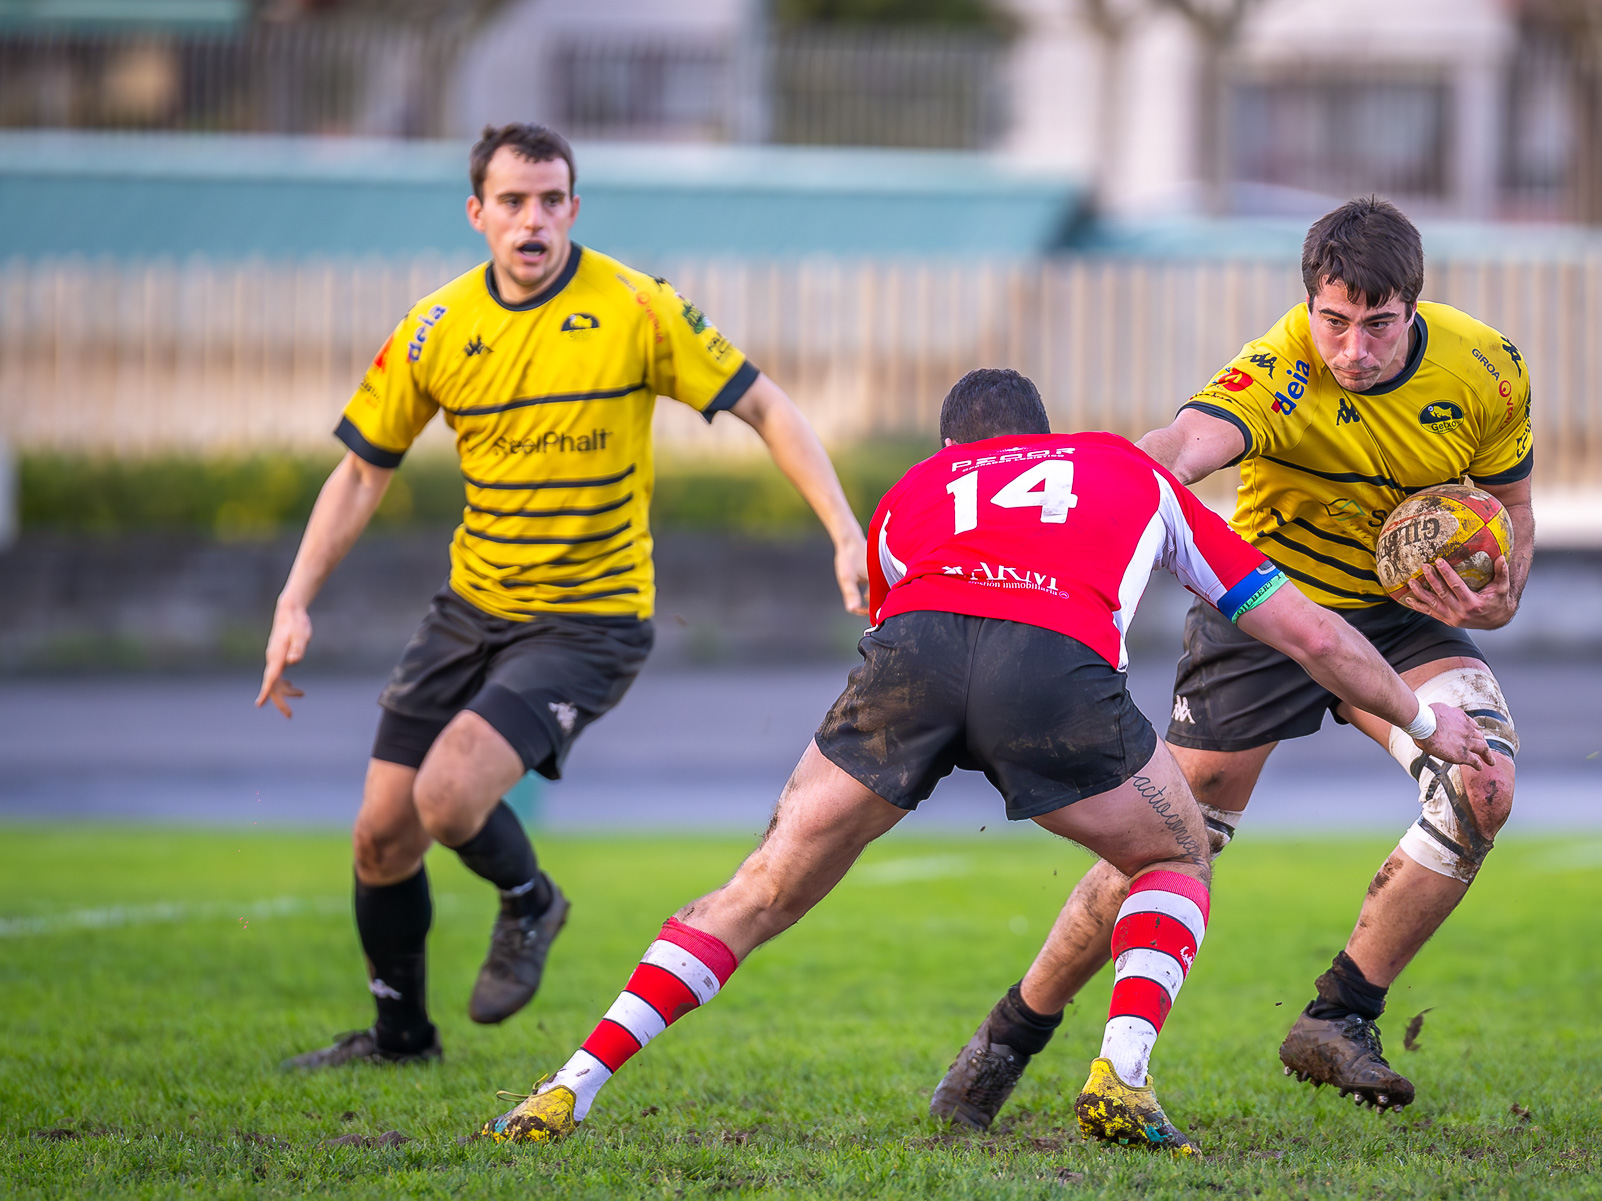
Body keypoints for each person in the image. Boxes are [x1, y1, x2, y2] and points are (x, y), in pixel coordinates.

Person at [476, 368, 1492, 1150]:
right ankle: (1121, 1074)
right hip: (1049, 668)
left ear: (952, 447)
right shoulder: (1127, 471)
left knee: (757, 890)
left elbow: (898, 627)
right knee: (1176, 854)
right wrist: (1419, 717)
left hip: (908, 667)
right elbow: (1309, 635)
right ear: (1044, 441)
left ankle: (570, 1081)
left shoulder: (910, 492)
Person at [263, 123, 868, 1069]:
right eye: (513, 202)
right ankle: (401, 1038)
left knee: (449, 794)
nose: (533, 219)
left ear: (573, 208)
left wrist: (842, 526)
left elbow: (766, 406)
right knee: (381, 836)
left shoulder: (636, 306)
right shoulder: (436, 327)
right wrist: (295, 597)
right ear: (478, 215)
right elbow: (359, 473)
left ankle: (530, 899)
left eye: (552, 200)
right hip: (469, 609)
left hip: (589, 619)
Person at [932, 197, 1534, 1127]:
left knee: (1483, 783)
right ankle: (1015, 1031)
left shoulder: (1489, 366)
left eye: (1378, 325)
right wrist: (1090, 500)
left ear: (1414, 305)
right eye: (1334, 322)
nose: (1353, 350)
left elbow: (1509, 501)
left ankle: (1340, 1016)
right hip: (1266, 617)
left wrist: (1505, 590)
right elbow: (1181, 446)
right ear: (1309, 306)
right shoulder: (1281, 368)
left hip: (1398, 622)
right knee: (1172, 842)